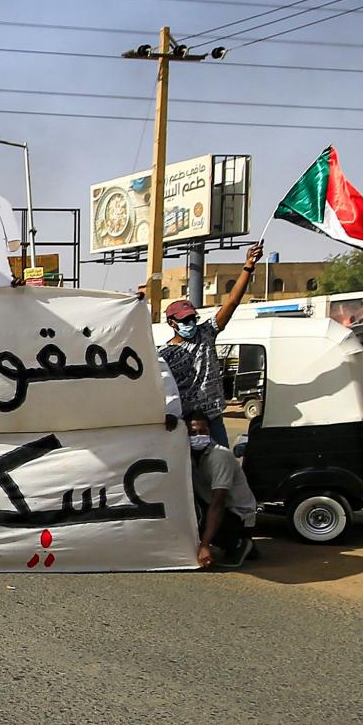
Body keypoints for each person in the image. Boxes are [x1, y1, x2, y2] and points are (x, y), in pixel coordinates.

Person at [157, 241, 264, 449]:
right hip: (185, 423)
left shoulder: (206, 333)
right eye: (185, 321)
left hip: (213, 419)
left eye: (192, 319)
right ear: (172, 323)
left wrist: (248, 266)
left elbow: (231, 302)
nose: (190, 324)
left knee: (220, 463)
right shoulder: (165, 354)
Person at [187, 412, 258, 568]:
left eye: (203, 431)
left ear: (210, 431)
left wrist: (204, 544)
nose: (198, 436)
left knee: (200, 521)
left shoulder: (219, 456)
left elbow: (219, 502)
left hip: (238, 513)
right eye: (193, 433)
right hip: (214, 506)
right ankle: (239, 544)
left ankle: (238, 543)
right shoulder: (188, 455)